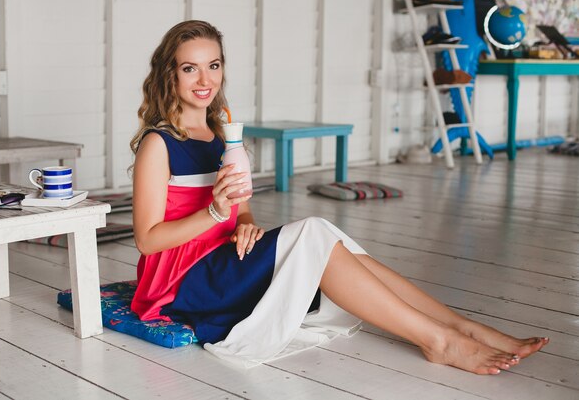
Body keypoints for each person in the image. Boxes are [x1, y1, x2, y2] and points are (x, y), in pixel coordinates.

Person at [129, 20, 548, 373]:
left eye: (213, 65)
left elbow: (241, 207)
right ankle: (440, 340)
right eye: (190, 68)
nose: (205, 80)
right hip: (181, 281)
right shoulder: (159, 144)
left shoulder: (221, 135)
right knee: (313, 233)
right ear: (171, 74)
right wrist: (215, 212)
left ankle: (463, 327)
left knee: (327, 235)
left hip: (224, 260)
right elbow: (148, 240)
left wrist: (242, 223)